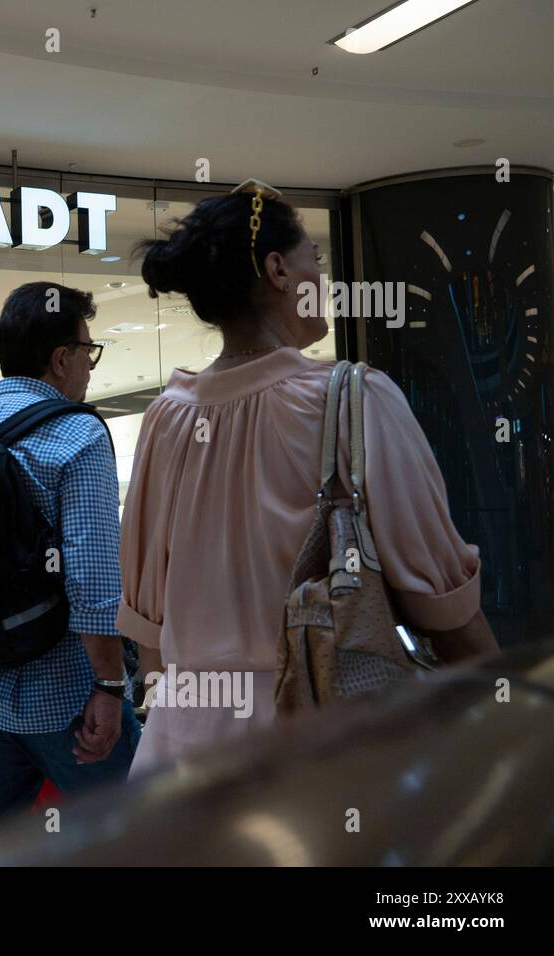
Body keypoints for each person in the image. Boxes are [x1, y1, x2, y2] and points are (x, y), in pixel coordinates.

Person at [121, 181, 499, 774]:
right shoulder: (353, 398)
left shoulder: (167, 417)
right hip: (318, 738)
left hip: (178, 755)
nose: (323, 278)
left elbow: (148, 628)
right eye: (314, 261)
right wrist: (509, 721)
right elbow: (442, 604)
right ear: (277, 271)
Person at [0, 284, 142, 838]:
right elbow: (94, 577)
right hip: (66, 693)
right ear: (61, 359)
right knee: (146, 833)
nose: (89, 365)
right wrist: (109, 687)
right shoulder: (78, 434)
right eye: (88, 350)